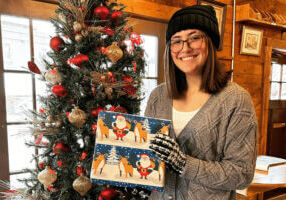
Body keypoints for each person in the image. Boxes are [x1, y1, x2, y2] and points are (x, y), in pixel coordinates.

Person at [145, 5, 257, 200]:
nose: (185, 48)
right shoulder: (157, 96)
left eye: (194, 37)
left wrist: (184, 164)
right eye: (176, 41)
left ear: (211, 43)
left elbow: (241, 174)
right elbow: (149, 153)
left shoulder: (235, 100)